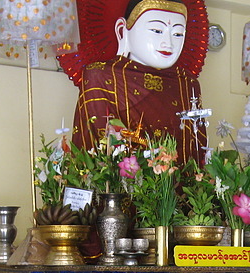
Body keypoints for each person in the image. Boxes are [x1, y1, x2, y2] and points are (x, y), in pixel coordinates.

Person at [60, 0, 209, 164]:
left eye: (178, 34)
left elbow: (196, 151)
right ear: (122, 30)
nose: (169, 42)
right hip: (123, 183)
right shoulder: (100, 75)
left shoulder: (187, 84)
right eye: (157, 30)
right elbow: (96, 146)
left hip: (176, 184)